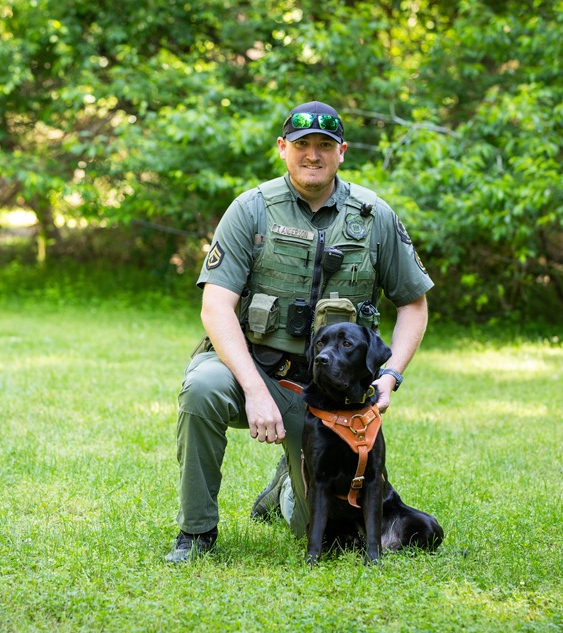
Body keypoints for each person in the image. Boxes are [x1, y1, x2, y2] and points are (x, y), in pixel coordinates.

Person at [166, 100, 433, 563]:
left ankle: (287, 485)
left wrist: (389, 375)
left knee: (323, 536)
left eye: (324, 146)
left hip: (329, 396)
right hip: (253, 367)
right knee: (202, 387)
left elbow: (414, 303)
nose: (313, 155)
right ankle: (196, 533)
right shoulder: (251, 209)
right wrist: (253, 389)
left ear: (342, 152)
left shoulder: (373, 216)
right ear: (283, 148)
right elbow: (216, 307)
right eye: (302, 144)